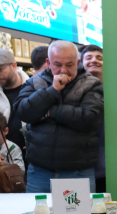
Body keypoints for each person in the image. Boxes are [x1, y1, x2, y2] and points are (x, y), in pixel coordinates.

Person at [13, 40, 103, 193]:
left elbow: (90, 119)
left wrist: (49, 111)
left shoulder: (91, 84)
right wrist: (52, 91)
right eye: (57, 64)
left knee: (81, 210)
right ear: (48, 62)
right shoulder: (35, 82)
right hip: (39, 172)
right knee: (38, 209)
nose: (64, 70)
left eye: (69, 65)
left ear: (78, 62)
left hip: (78, 172)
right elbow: (23, 112)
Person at [80, 44, 106, 192]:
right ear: (81, 63)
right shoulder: (73, 90)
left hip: (106, 158)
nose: (94, 60)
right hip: (81, 158)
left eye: (99, 57)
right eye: (88, 57)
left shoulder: (115, 89)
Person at [0, 49, 27, 165]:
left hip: (32, 155)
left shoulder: (34, 87)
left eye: (0, 69)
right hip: (5, 159)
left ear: (14, 66)